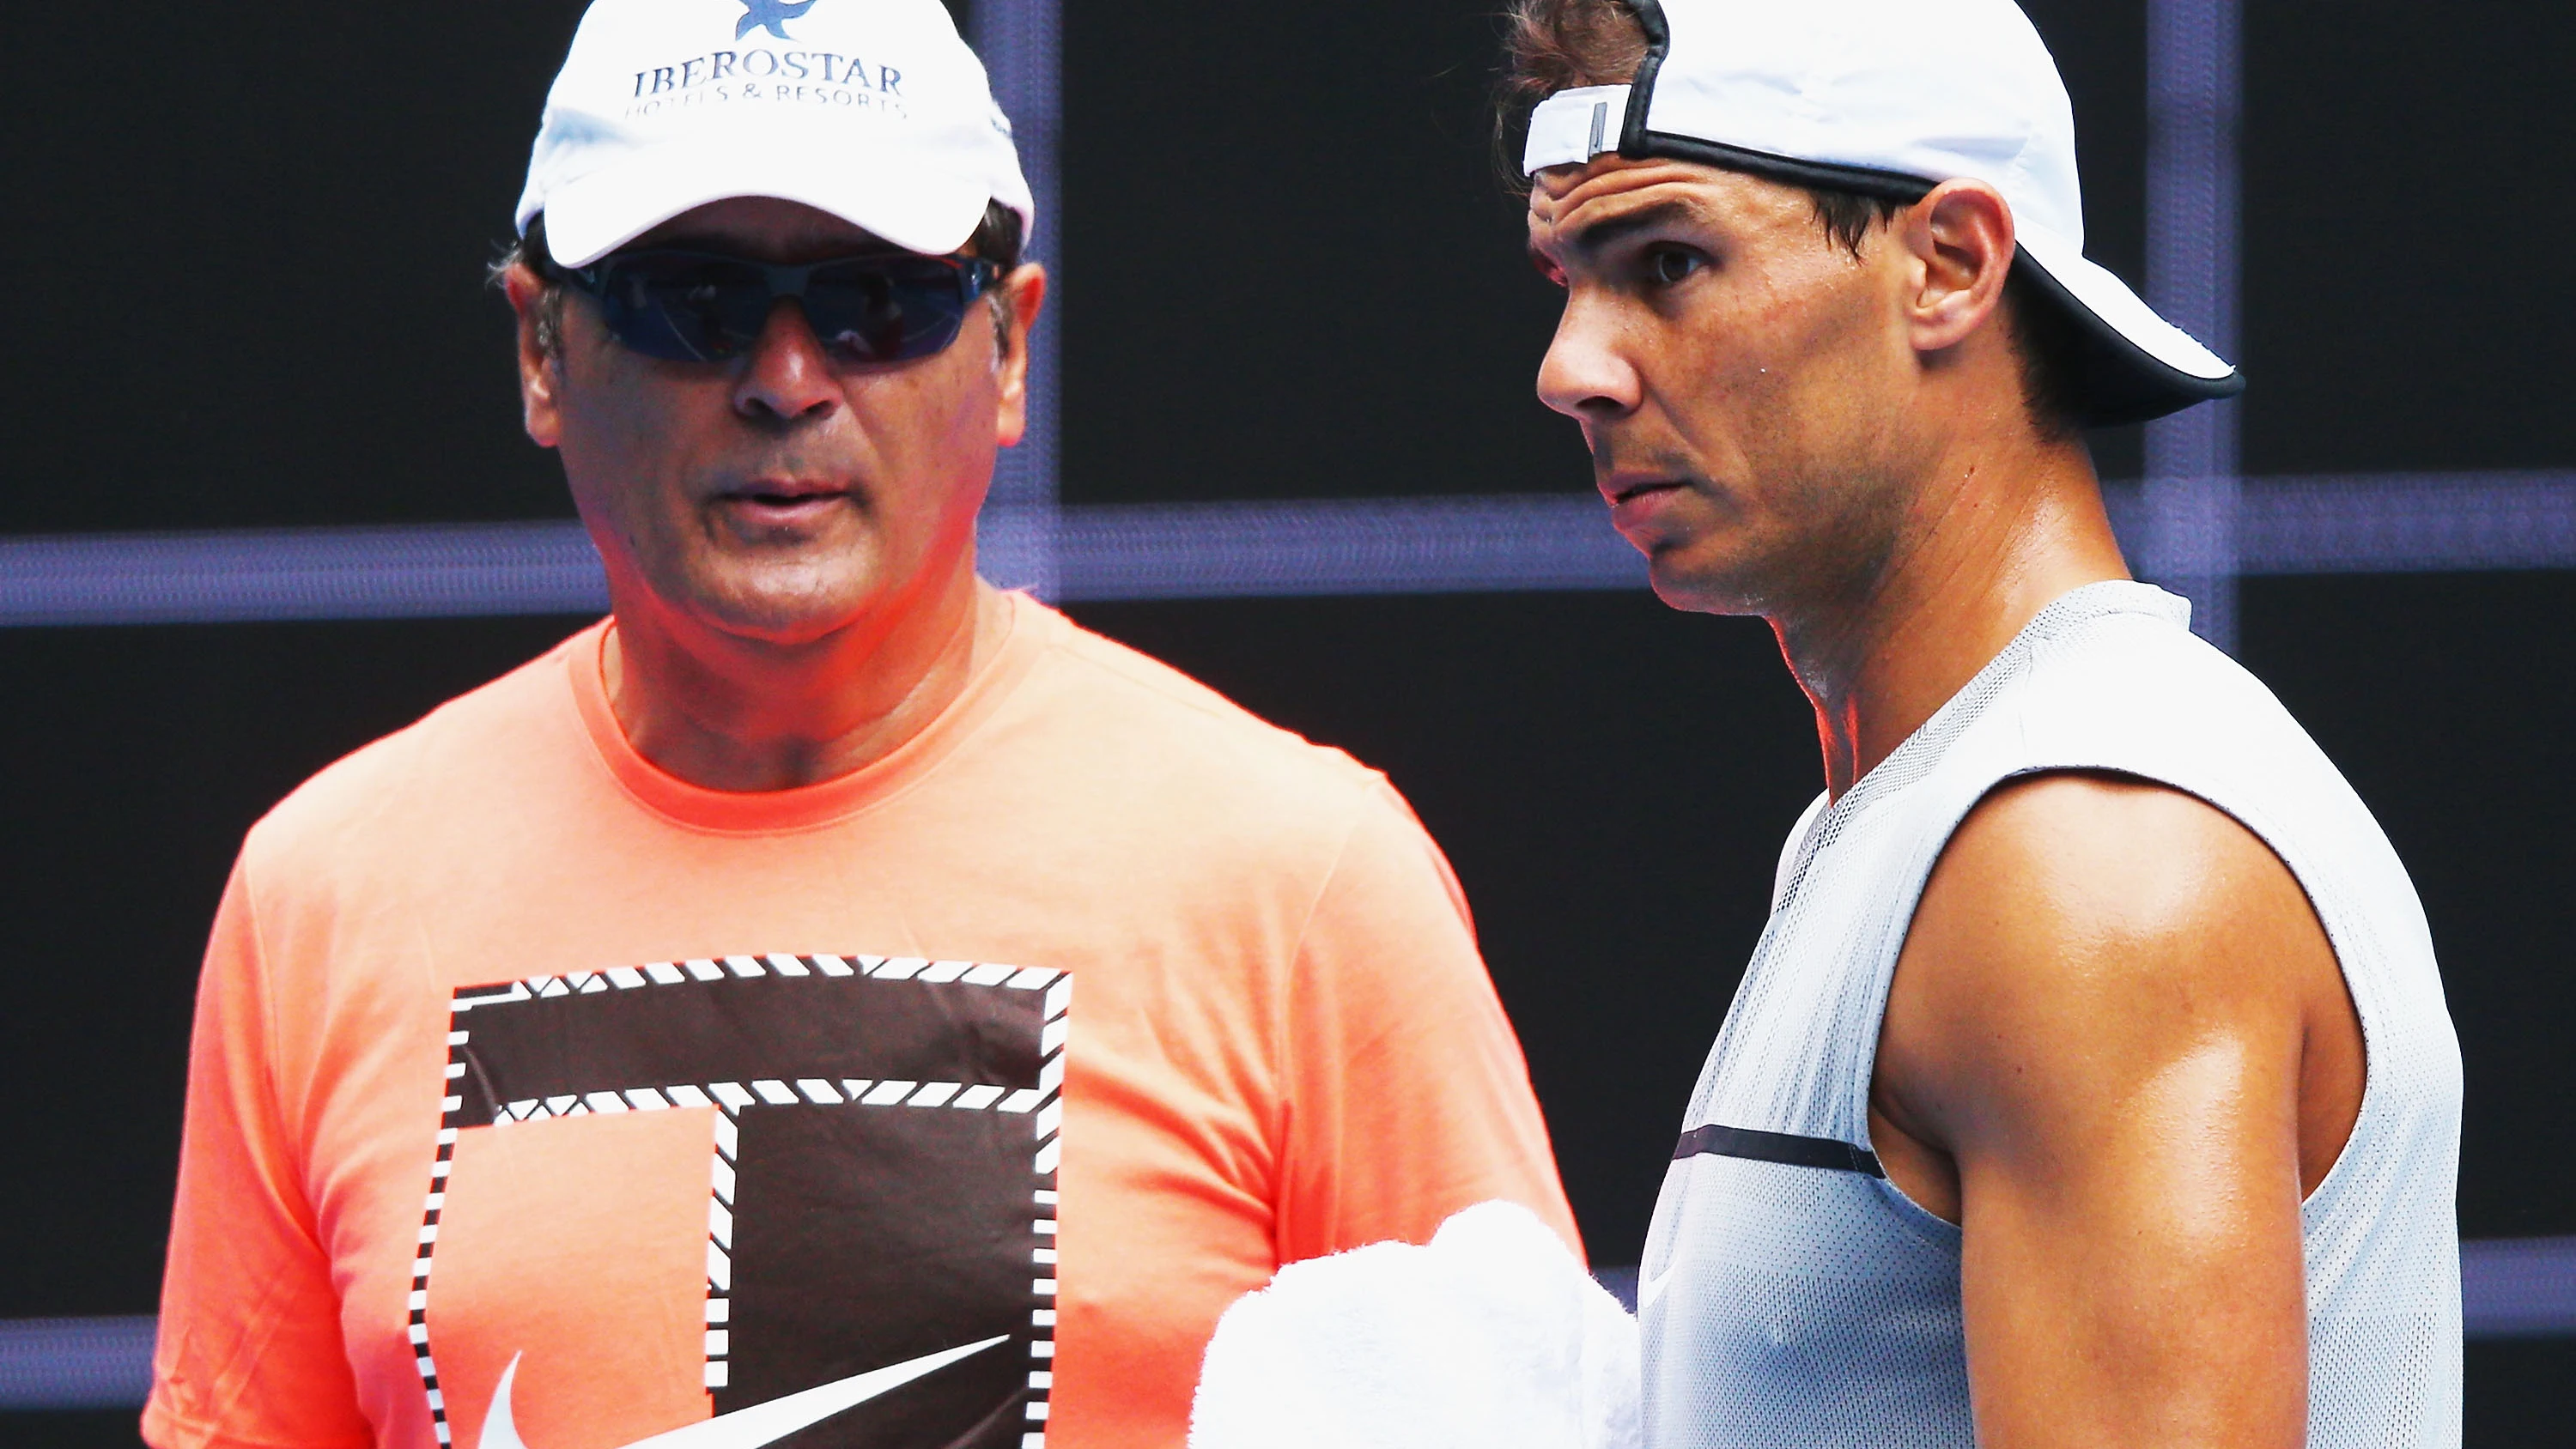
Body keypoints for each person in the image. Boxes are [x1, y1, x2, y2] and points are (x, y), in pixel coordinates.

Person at [144, 2, 1576, 1446]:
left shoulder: (1305, 886)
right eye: (686, 302)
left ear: (1009, 350)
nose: (784, 382)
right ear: (541, 349)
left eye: (875, 301)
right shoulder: (323, 899)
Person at [1503, 1, 2459, 1446]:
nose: (1571, 365)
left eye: (1670, 264)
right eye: (1568, 279)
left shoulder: (2084, 856)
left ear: (1948, 265)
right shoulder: (1933, 818)